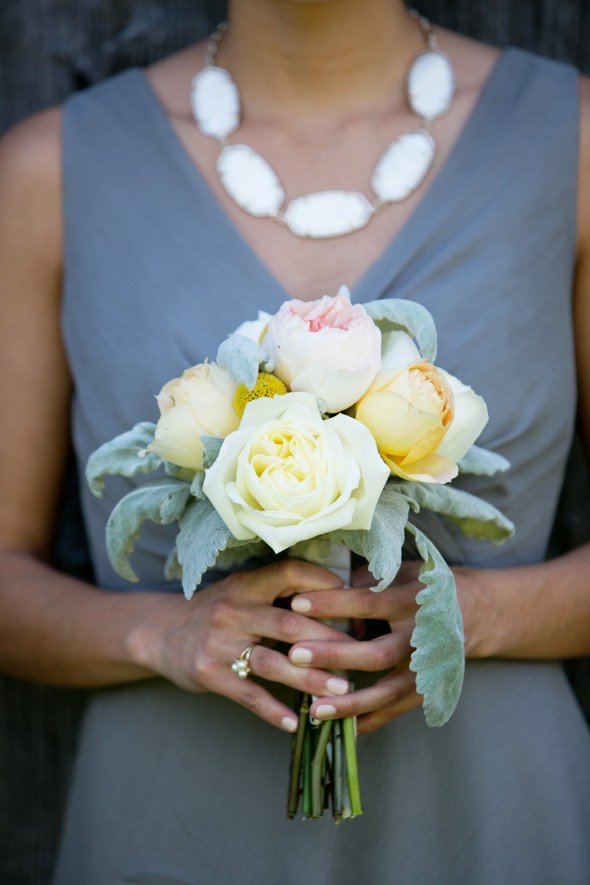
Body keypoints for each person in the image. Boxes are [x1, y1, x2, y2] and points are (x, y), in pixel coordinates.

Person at [1, 0, 589, 881]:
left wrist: (477, 613)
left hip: (491, 813)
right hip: (171, 823)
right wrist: (161, 634)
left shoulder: (570, 145)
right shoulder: (50, 172)